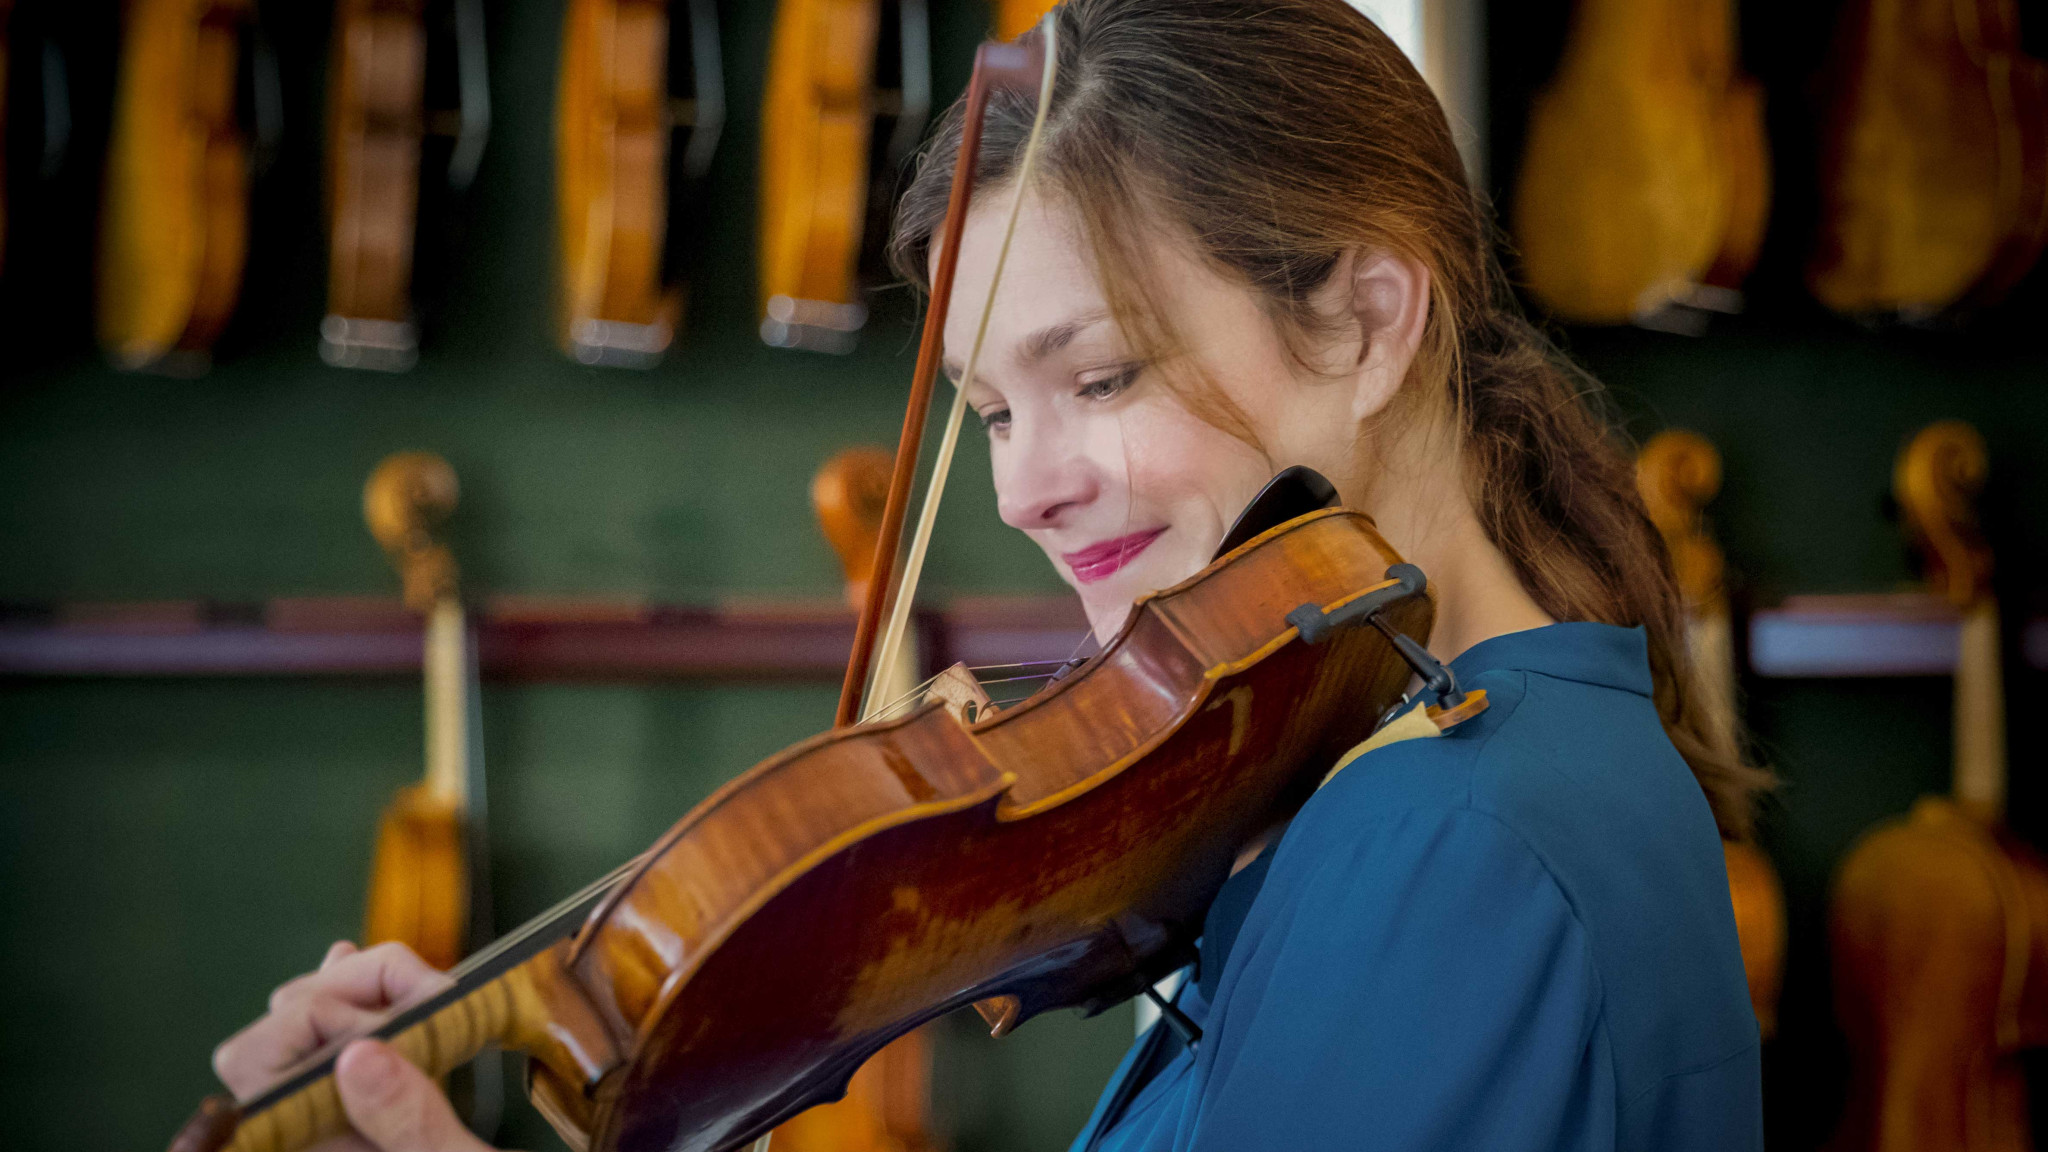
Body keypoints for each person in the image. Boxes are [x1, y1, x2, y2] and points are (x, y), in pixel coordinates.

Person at [212, 1, 1768, 1148]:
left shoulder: (1447, 835)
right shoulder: (1439, 765)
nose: (1024, 491)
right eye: (989, 411)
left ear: (1366, 320)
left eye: (1097, 379)